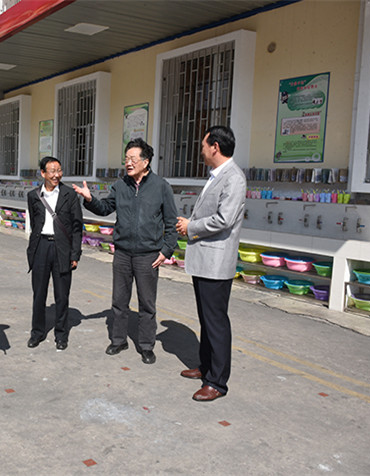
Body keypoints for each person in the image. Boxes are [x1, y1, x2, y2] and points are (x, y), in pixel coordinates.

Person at [73, 138, 177, 364]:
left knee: (147, 303)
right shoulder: (121, 186)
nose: (128, 163)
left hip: (148, 255)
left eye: (132, 159)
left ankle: (146, 345)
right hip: (122, 253)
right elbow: (105, 208)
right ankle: (118, 340)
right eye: (126, 159)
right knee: (119, 301)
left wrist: (166, 250)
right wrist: (89, 199)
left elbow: (171, 222)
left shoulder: (161, 186)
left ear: (145, 162)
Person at [175, 125, 246, 402]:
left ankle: (217, 382)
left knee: (216, 322)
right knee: (206, 319)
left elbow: (224, 219)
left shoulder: (233, 178)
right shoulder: (217, 175)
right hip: (205, 259)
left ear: (215, 146)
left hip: (216, 262)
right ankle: (206, 366)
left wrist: (191, 226)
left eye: (204, 145)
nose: (201, 150)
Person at [26, 156, 83, 351]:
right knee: (39, 294)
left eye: (59, 170)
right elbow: (35, 224)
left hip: (62, 249)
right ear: (43, 173)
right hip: (41, 247)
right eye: (52, 171)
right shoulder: (34, 195)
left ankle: (61, 334)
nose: (56, 175)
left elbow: (77, 227)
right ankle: (37, 332)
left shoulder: (70, 195)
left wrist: (75, 254)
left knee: (62, 295)